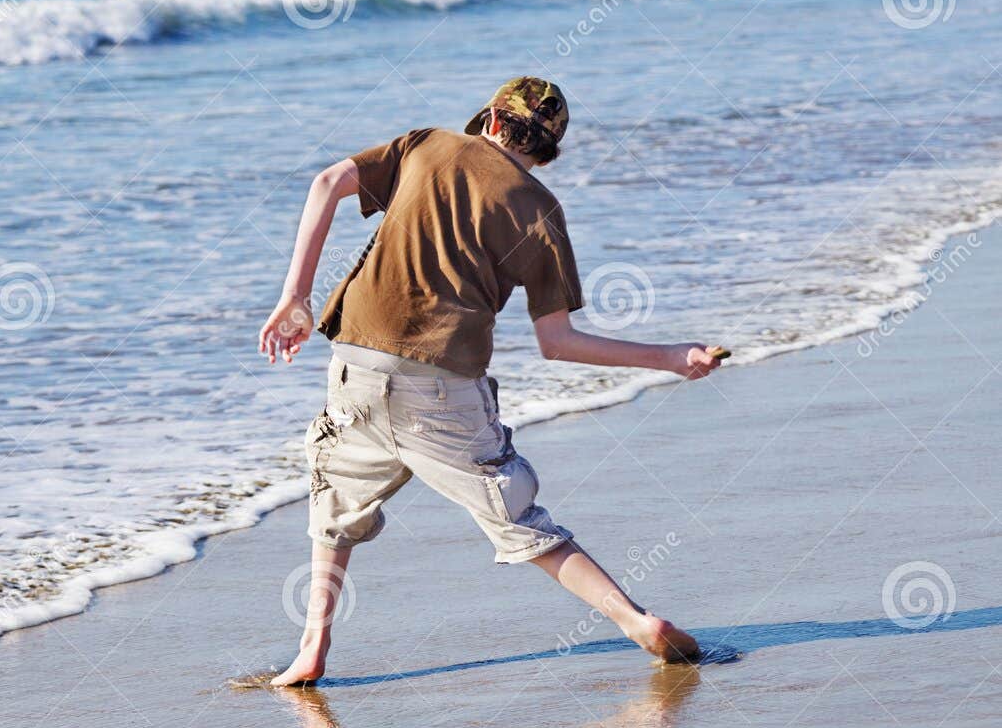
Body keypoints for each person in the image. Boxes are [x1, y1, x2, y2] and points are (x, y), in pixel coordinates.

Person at [258, 76, 722, 686]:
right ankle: (634, 620)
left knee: (334, 503)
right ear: (543, 150)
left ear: (493, 122)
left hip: (357, 366)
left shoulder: (424, 144)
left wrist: (295, 297)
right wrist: (670, 357)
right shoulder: (540, 210)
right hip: (443, 384)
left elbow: (326, 183)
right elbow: (559, 345)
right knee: (521, 520)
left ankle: (312, 649)